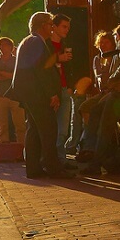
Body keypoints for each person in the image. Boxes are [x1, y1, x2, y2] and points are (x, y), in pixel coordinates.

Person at [12, 11, 69, 178]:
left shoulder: (30, 41)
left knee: (35, 130)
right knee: (48, 129)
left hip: (30, 93)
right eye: (51, 25)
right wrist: (52, 93)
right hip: (37, 94)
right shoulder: (37, 42)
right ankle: (53, 168)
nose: (52, 28)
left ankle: (34, 168)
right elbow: (41, 71)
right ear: (43, 25)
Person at [80, 24, 120, 176]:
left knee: (104, 129)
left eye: (115, 36)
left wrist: (114, 77)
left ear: (118, 35)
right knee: (95, 111)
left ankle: (95, 163)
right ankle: (90, 150)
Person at [74, 31, 117, 159]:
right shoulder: (97, 59)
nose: (103, 45)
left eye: (106, 42)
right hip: (101, 92)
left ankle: (90, 146)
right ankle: (90, 141)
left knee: (95, 110)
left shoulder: (116, 57)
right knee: (84, 107)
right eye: (101, 42)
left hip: (113, 92)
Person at [0, 37, 26, 143]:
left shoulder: (17, 60)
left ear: (11, 47)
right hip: (0, 95)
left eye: (5, 45)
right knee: (2, 126)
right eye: (0, 45)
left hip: (15, 95)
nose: (2, 47)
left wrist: (1, 73)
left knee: (20, 125)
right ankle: (3, 148)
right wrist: (9, 75)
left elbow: (19, 77)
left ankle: (22, 147)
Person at [49, 14, 74, 162]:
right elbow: (42, 66)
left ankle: (60, 159)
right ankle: (51, 158)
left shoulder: (66, 45)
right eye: (64, 26)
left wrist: (70, 86)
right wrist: (58, 59)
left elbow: (70, 67)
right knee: (50, 127)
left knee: (63, 129)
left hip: (64, 89)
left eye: (68, 27)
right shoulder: (46, 45)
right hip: (52, 90)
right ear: (54, 26)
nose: (67, 30)